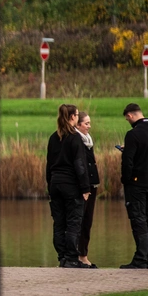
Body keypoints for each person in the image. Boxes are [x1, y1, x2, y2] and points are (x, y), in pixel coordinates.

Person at [45, 103, 91, 268]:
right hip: (71, 185)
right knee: (73, 222)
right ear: (72, 117)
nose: (78, 117)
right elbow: (80, 164)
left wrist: (50, 184)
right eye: (77, 115)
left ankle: (62, 257)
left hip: (55, 184)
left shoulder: (53, 137)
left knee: (59, 223)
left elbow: (49, 164)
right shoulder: (74, 138)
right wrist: (85, 188)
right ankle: (72, 258)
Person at [119, 103, 148, 269]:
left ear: (130, 116)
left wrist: (126, 179)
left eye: (127, 118)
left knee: (138, 220)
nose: (128, 121)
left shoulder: (133, 135)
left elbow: (127, 162)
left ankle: (140, 259)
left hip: (136, 184)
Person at [74, 111, 100, 267]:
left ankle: (83, 254)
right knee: (79, 220)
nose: (89, 126)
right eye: (86, 123)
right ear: (78, 125)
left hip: (92, 185)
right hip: (83, 187)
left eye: (89, 123)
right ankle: (76, 254)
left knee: (88, 221)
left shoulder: (88, 141)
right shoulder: (76, 141)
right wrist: (84, 187)